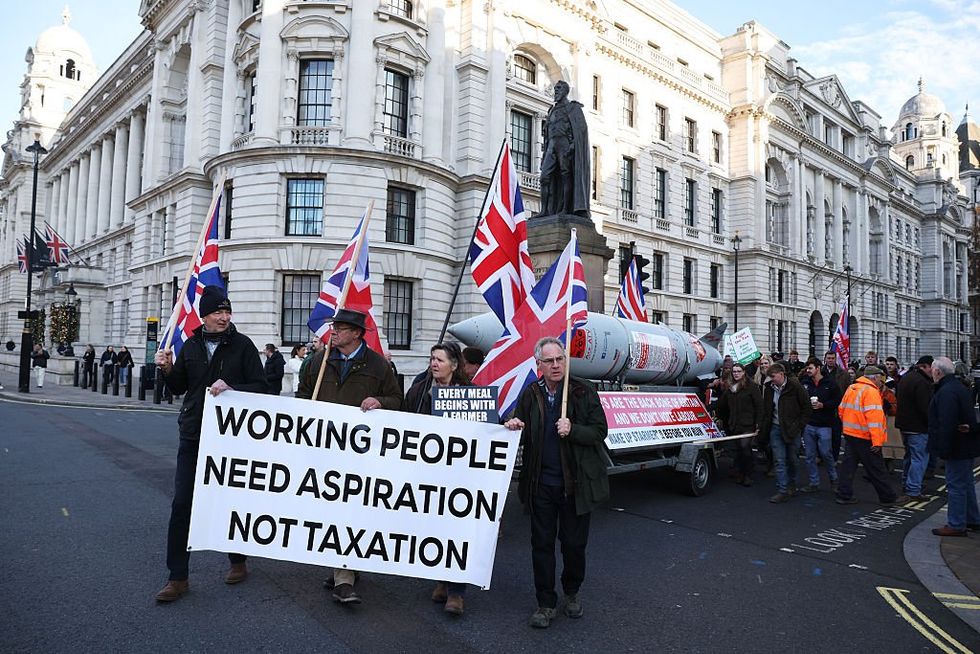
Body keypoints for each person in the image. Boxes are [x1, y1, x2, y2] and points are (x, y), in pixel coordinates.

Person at [152, 285, 266, 603]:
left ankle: (238, 560)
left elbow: (262, 387)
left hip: (231, 439)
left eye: (227, 312)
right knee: (182, 505)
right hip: (193, 434)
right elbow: (178, 387)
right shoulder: (190, 345)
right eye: (218, 312)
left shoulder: (243, 346)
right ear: (204, 316)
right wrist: (167, 368)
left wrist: (232, 386)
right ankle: (177, 577)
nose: (224, 317)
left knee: (229, 502)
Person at [296, 308, 403, 605]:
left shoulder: (379, 366)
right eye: (334, 327)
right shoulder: (319, 361)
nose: (334, 332)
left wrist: (379, 401)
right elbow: (303, 396)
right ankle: (343, 567)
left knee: (352, 511)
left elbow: (397, 401)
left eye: (340, 328)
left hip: (361, 453)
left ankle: (344, 575)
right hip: (325, 448)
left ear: (356, 333)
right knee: (332, 511)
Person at [504, 337, 608, 629]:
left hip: (575, 485)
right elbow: (520, 426)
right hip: (541, 485)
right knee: (542, 544)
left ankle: (572, 591)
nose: (556, 365)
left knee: (574, 545)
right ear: (539, 365)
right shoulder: (531, 393)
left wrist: (573, 429)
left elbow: (600, 431)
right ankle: (545, 602)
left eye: (560, 359)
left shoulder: (582, 390)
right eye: (548, 361)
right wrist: (514, 426)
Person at [404, 342, 471, 615]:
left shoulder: (471, 395)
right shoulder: (419, 392)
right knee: (434, 530)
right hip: (428, 472)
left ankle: (457, 592)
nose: (433, 364)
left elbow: (490, 425)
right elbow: (404, 423)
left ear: (454, 365)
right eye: (432, 359)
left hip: (461, 475)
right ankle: (441, 579)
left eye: (440, 360)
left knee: (457, 532)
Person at [835, 367, 909, 506]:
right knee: (877, 469)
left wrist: (848, 426)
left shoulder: (852, 388)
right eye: (881, 379)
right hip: (865, 436)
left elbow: (841, 410)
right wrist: (877, 442)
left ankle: (844, 494)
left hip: (851, 433)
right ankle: (888, 498)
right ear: (874, 378)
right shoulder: (871, 392)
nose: (881, 382)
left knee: (848, 467)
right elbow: (874, 420)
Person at [928, 357, 980, 536]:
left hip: (956, 446)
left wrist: (943, 449)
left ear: (937, 371)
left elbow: (946, 422)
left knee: (956, 485)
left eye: (932, 370)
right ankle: (972, 519)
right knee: (966, 484)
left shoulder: (946, 392)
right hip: (966, 445)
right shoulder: (959, 387)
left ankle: (956, 524)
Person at [758, 363, 811, 503]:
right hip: (776, 428)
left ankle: (791, 484)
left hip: (792, 429)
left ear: (781, 374)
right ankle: (782, 489)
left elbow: (806, 408)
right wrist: (763, 428)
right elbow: (767, 410)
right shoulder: (769, 389)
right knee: (779, 460)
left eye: (773, 376)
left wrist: (799, 426)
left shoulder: (795, 387)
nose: (771, 379)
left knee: (792, 459)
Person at [539, 80, 591, 218]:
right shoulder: (552, 110)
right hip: (551, 145)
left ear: (565, 91)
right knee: (545, 177)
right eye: (555, 88)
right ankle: (544, 210)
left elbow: (580, 132)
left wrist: (573, 146)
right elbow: (547, 134)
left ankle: (565, 208)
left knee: (565, 176)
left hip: (565, 145)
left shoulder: (573, 108)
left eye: (559, 88)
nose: (556, 91)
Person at [715, 362, 762, 486]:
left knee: (745, 448)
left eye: (738, 371)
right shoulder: (730, 387)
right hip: (734, 424)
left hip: (748, 424)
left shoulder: (752, 386)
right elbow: (722, 405)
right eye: (734, 371)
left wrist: (759, 423)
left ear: (744, 372)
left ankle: (748, 475)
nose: (736, 374)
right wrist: (720, 417)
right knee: (739, 450)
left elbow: (759, 406)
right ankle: (741, 472)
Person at [799, 360, 842, 492]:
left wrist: (824, 405)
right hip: (809, 423)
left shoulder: (830, 383)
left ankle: (834, 479)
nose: (808, 370)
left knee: (826, 453)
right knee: (810, 455)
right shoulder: (805, 382)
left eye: (810, 368)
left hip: (825, 424)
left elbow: (837, 400)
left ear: (818, 368)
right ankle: (813, 482)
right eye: (807, 368)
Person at [896, 356, 934, 500]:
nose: (933, 371)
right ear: (924, 366)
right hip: (918, 427)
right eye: (931, 367)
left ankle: (907, 484)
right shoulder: (922, 382)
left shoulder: (906, 377)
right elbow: (924, 407)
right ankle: (913, 489)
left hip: (904, 425)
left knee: (909, 457)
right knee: (919, 458)